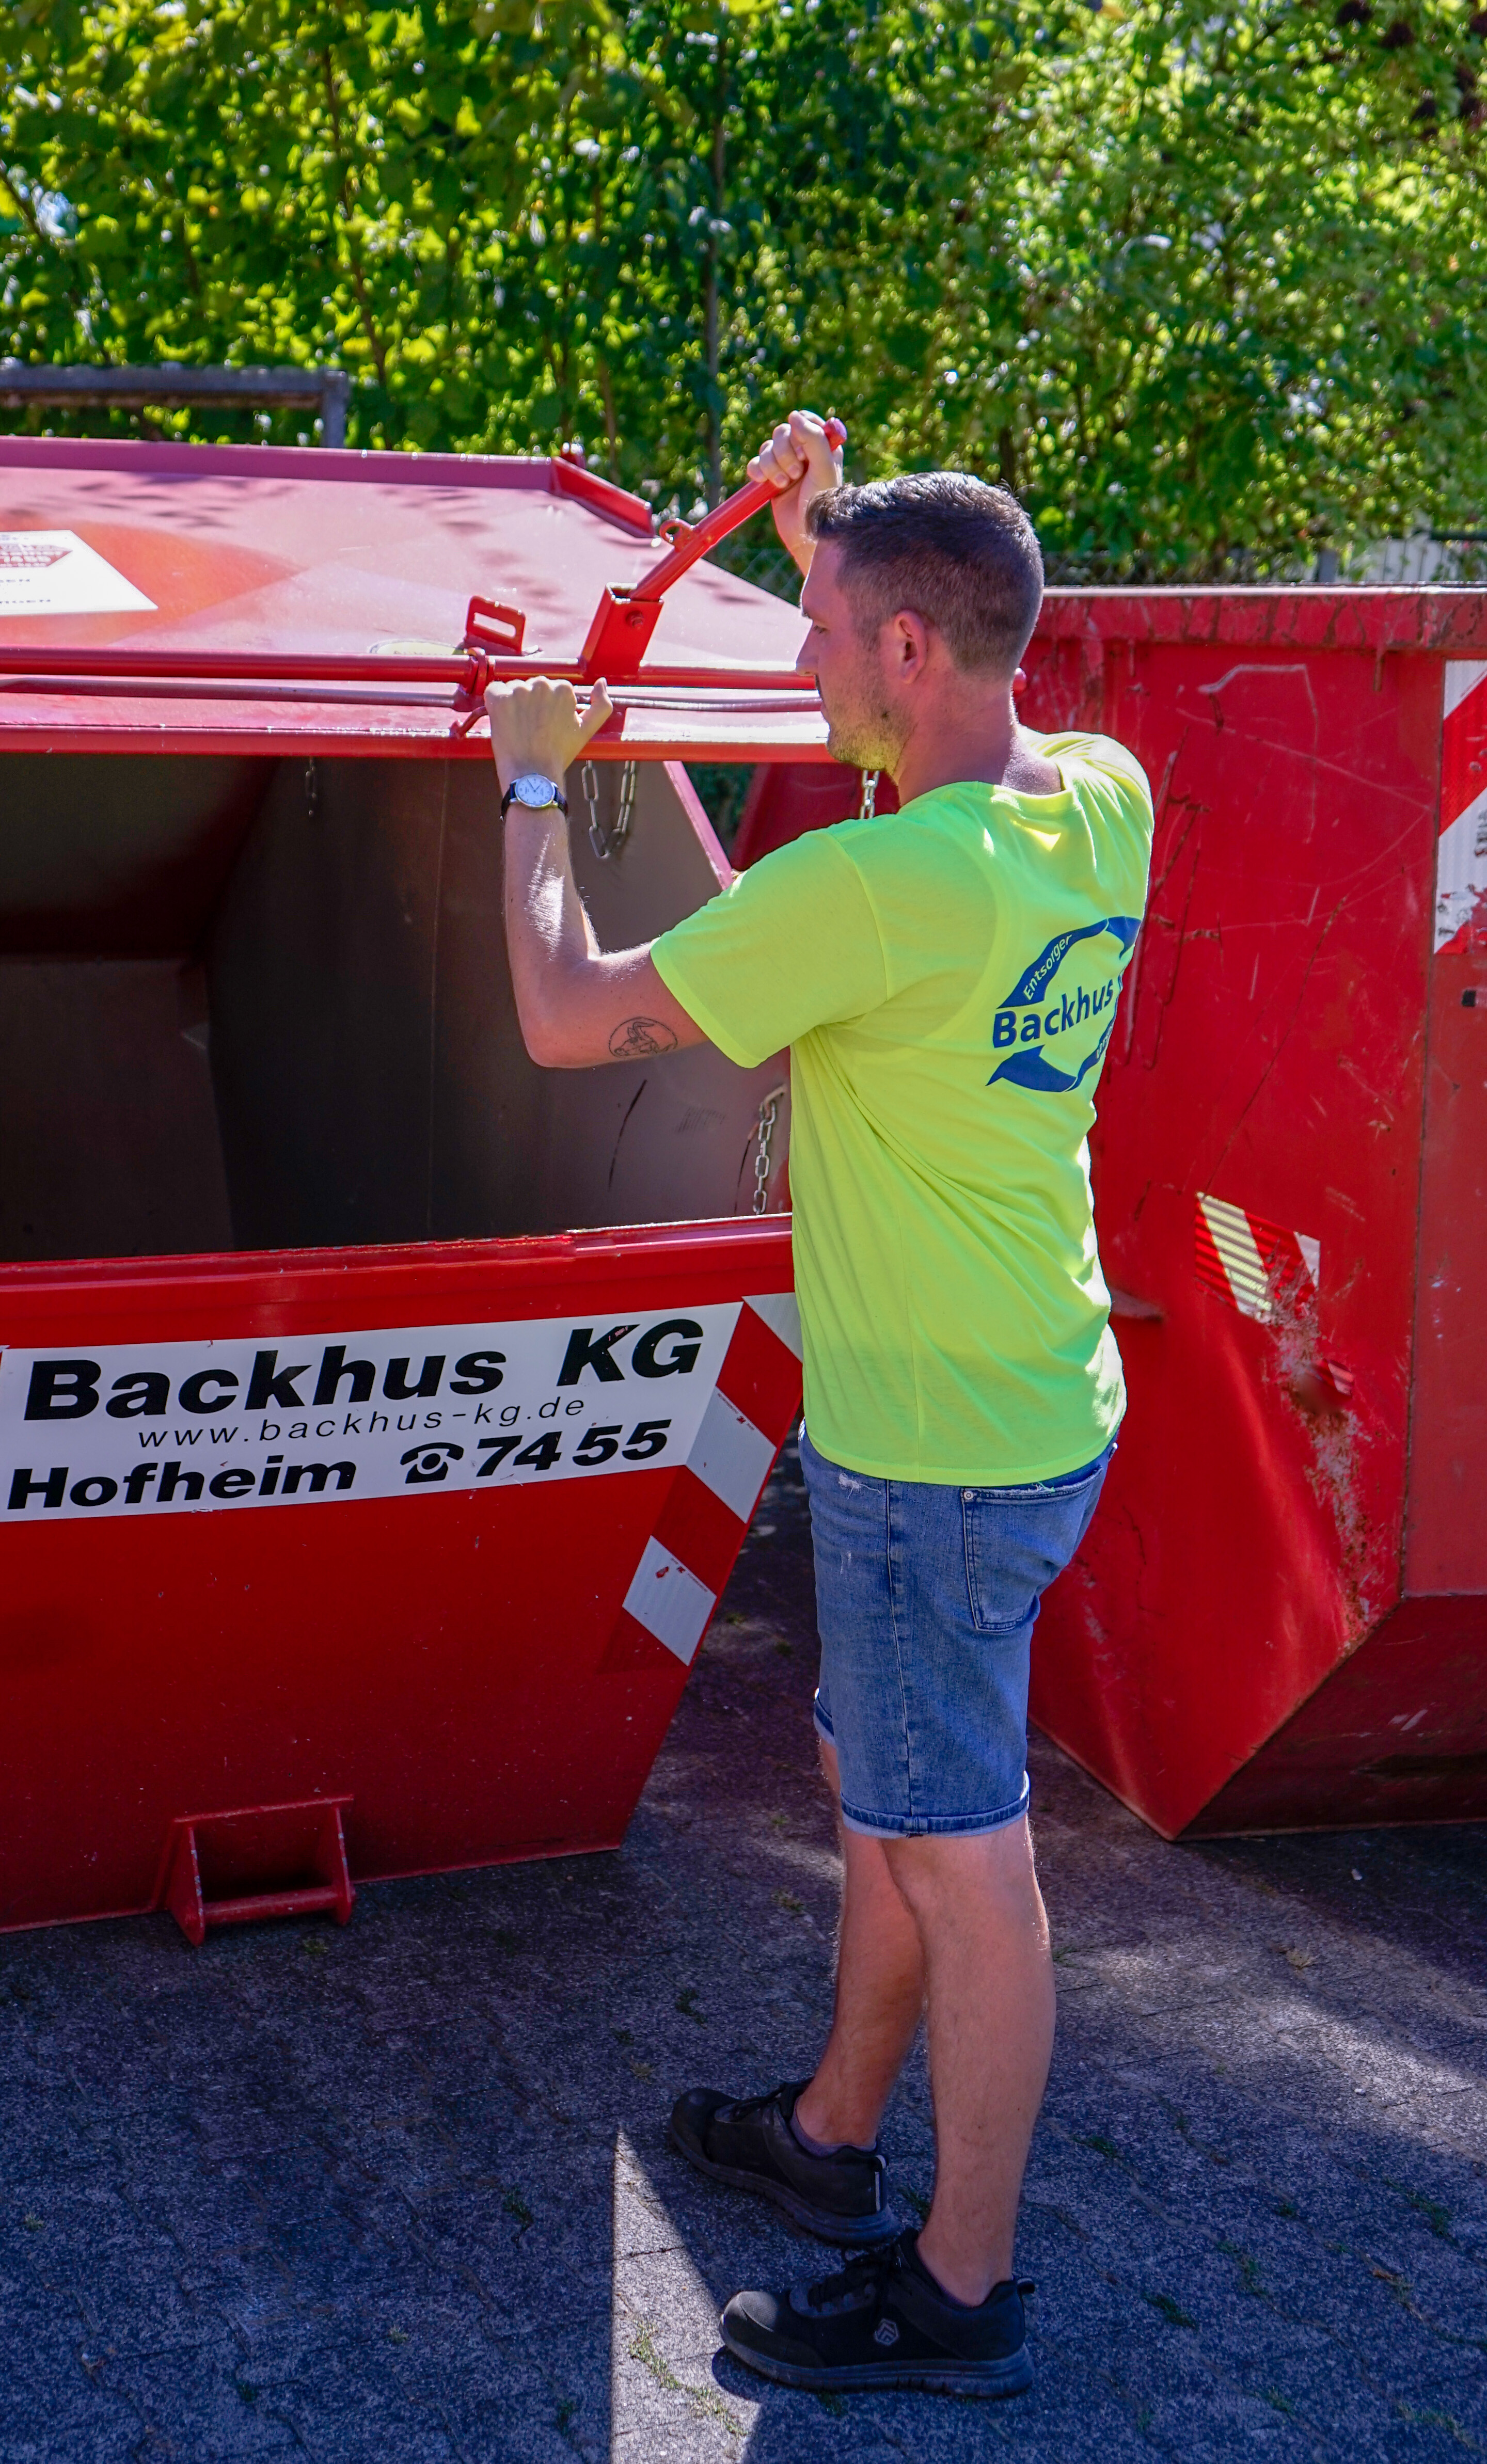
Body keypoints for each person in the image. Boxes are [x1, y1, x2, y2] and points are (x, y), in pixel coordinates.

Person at [484, 410, 1152, 2400]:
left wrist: (535, 787)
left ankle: (961, 2295)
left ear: (910, 661)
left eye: (821, 630)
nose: (796, 660)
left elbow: (559, 1010)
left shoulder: (867, 886)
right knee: (897, 1808)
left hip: (931, 1451)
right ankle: (835, 2141)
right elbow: (896, 660)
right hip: (1042, 1391)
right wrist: (818, 539)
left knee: (969, 1866)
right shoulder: (1095, 799)